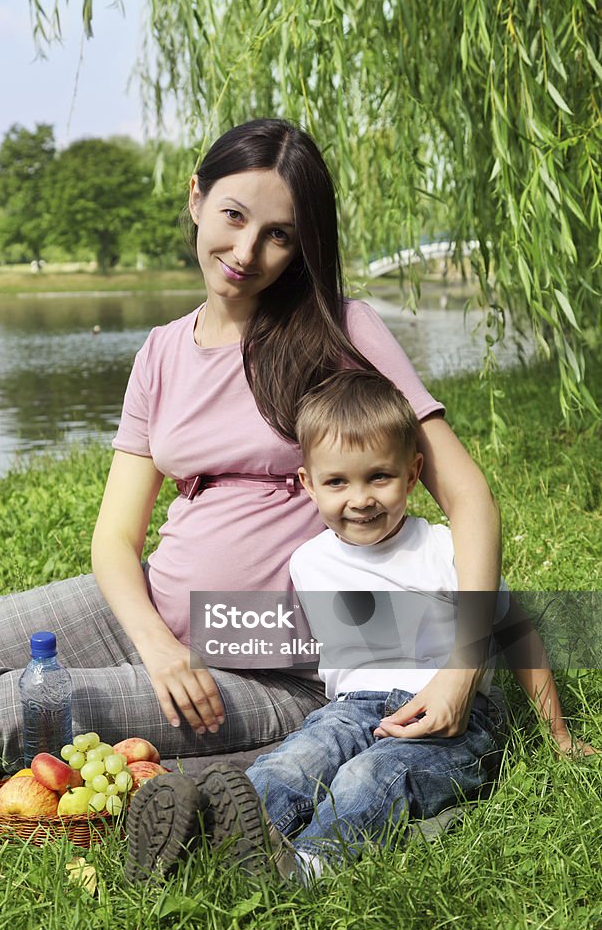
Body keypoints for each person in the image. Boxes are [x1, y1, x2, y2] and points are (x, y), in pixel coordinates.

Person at [0, 118, 548, 769]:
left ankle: (296, 734)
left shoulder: (341, 328)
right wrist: (158, 648)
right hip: (158, 610)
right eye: (233, 215)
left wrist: (460, 665)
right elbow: (113, 537)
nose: (247, 250)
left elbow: (467, 497)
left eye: (278, 235)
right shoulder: (161, 350)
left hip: (279, 666)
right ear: (196, 198)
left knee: (1, 718)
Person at [123, 371, 596, 885]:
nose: (360, 499)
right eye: (337, 482)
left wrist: (557, 733)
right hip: (350, 709)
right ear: (307, 484)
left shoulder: (446, 550)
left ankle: (301, 868)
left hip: (454, 720)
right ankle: (208, 838)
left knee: (367, 778)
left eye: (379, 477)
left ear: (413, 474)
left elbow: (517, 631)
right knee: (295, 762)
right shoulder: (308, 562)